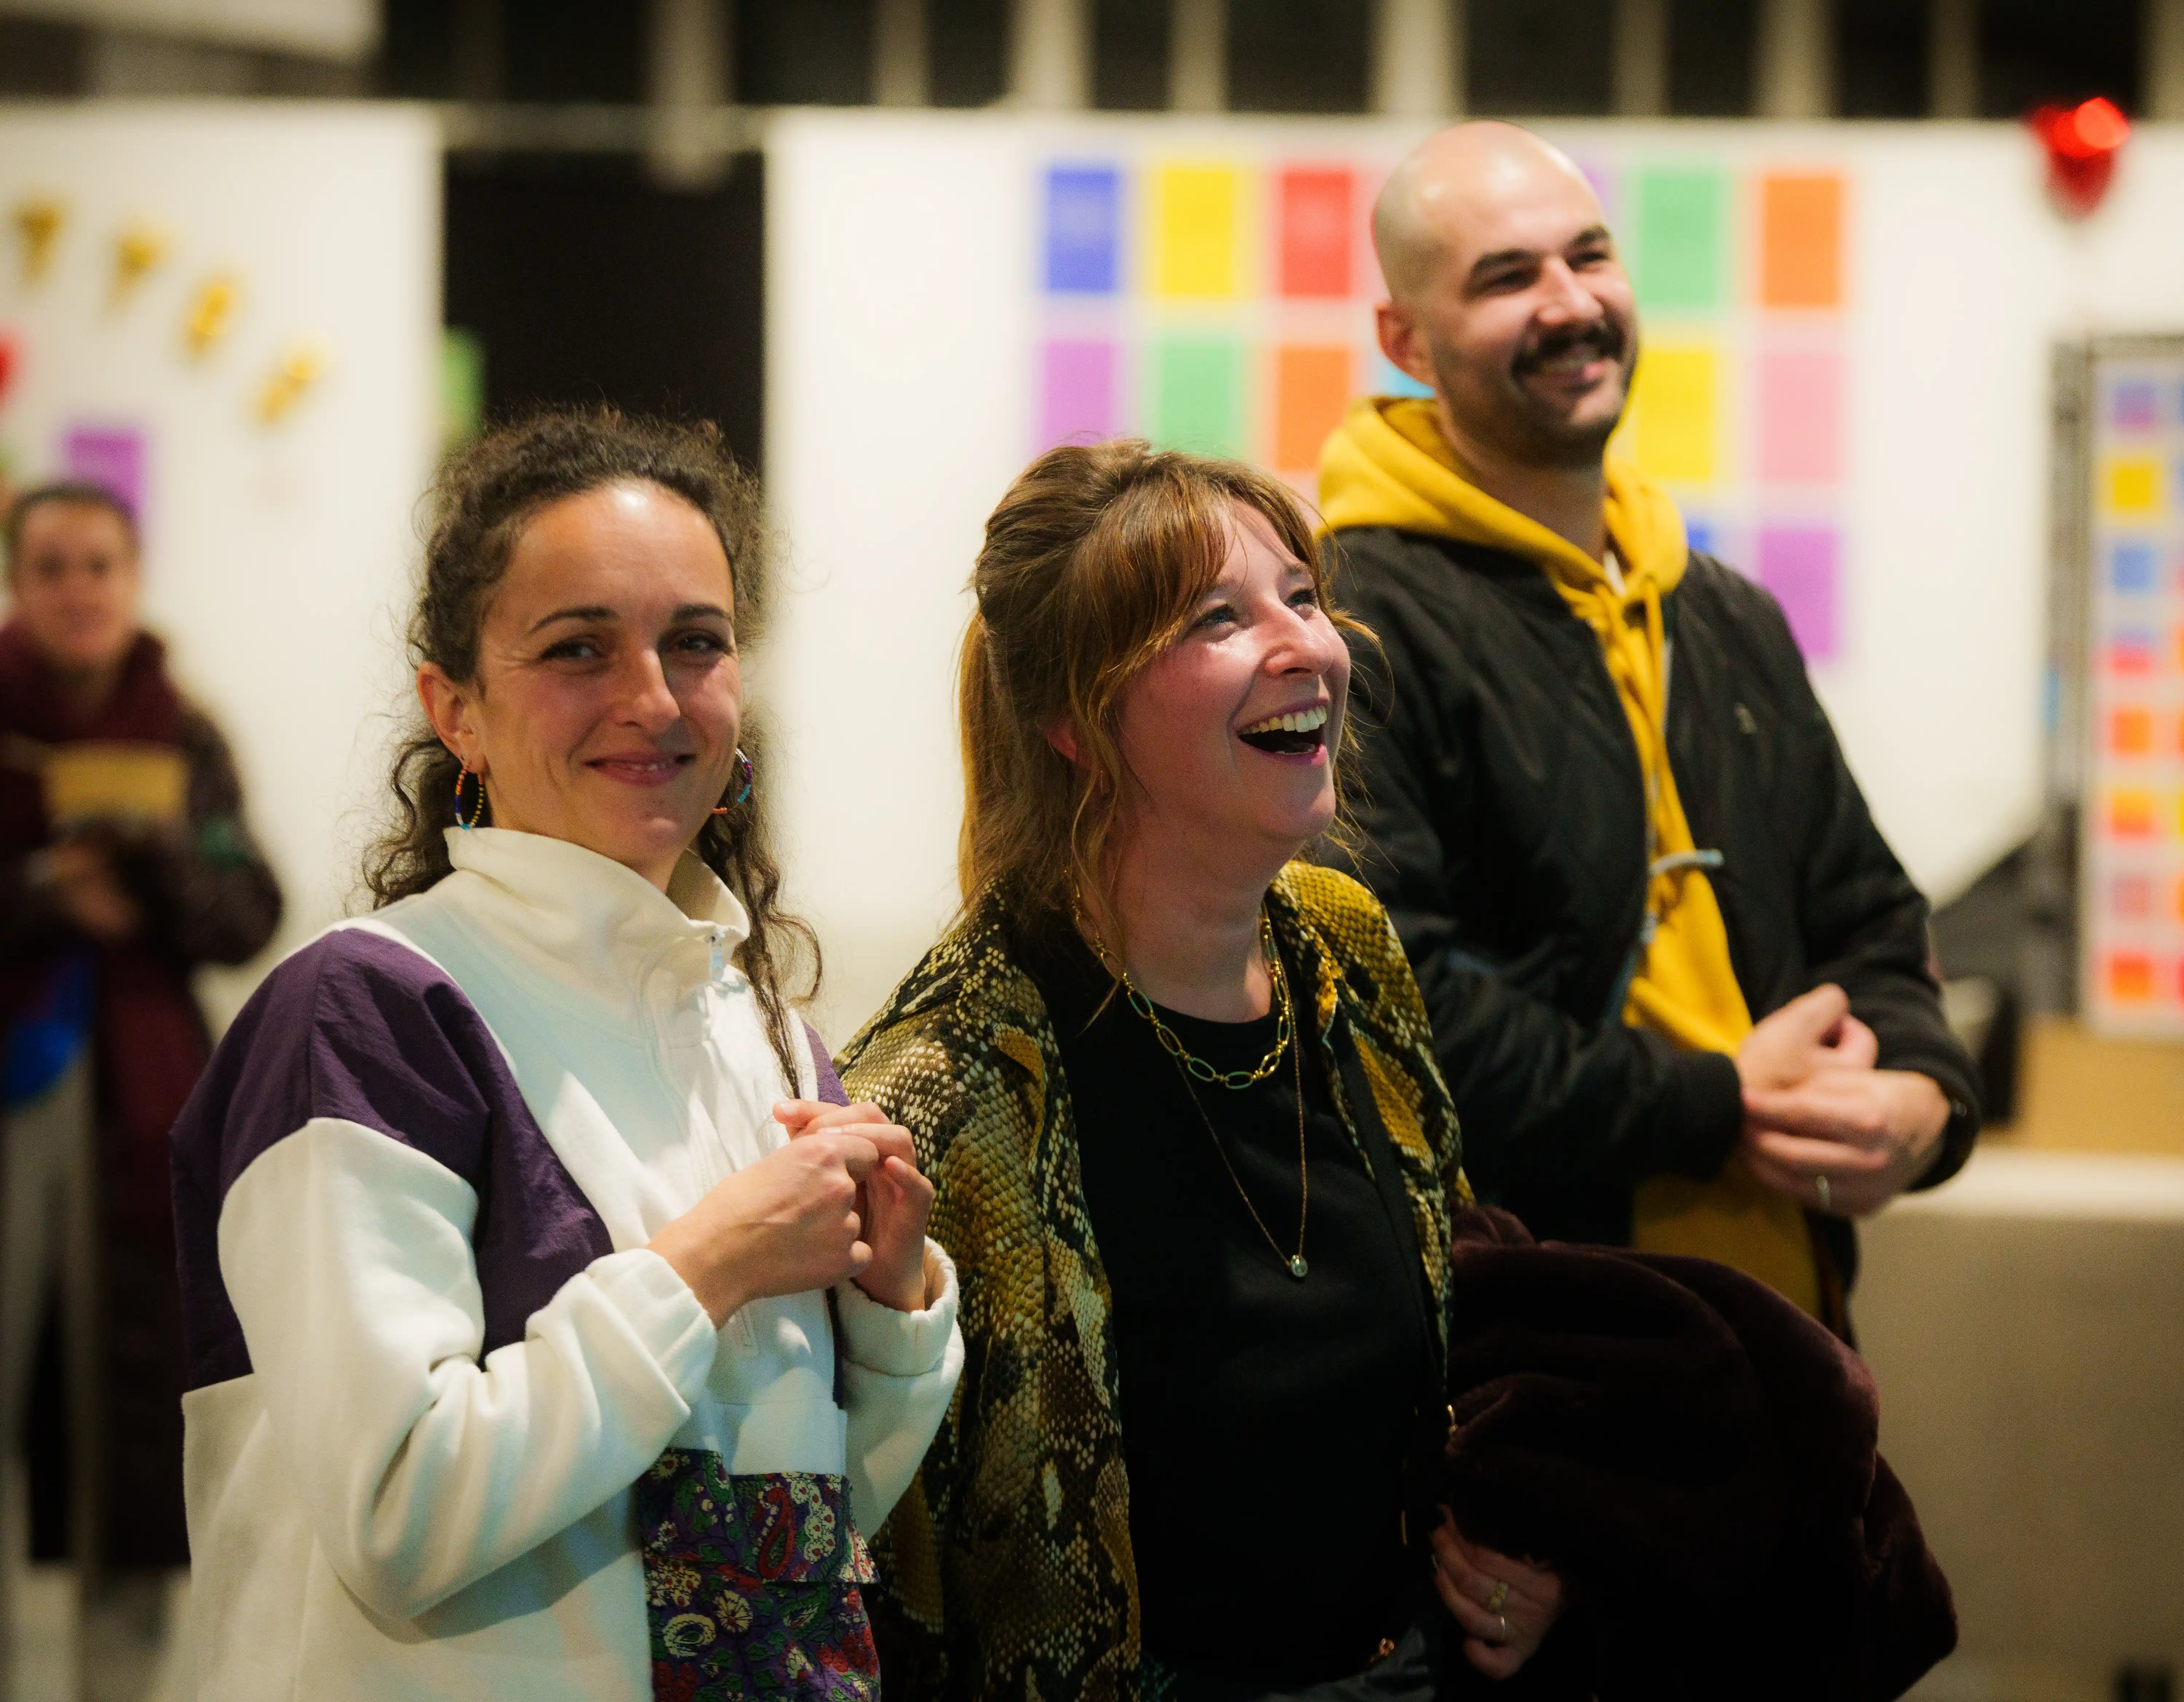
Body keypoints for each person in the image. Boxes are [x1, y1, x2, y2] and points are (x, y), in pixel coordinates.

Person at [167, 411, 962, 1699]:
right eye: (577, 648)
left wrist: (894, 1318)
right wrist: (708, 1265)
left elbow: (813, 1532)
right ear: (456, 711)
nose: (651, 699)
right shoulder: (366, 1017)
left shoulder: (771, 1040)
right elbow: (402, 1514)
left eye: (695, 644)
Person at [839, 440, 1563, 1700]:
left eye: (1302, 595)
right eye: (1218, 618)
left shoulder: (1345, 948)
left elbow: (1448, 1323)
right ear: (1073, 720)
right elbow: (891, 1573)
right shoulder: (940, 1096)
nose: (1307, 648)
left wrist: (1509, 1546)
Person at [1313, 122, 1982, 1329]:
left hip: (1793, 1333)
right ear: (1403, 341)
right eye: (1508, 277)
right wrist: (1713, 1103)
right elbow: (1398, 1011)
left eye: (1591, 257)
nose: (1571, 305)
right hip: (1541, 1357)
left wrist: (1927, 1099)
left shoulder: (1721, 613)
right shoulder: (1354, 626)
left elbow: (1871, 917)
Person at [0, 481, 280, 1691]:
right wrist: (43, 898)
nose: (78, 591)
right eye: (51, 566)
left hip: (146, 1113)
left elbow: (247, 910)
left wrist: (157, 869)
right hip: (15, 1103)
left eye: (99, 566)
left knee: (135, 1429)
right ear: (16, 583)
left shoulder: (183, 735)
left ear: (134, 577)